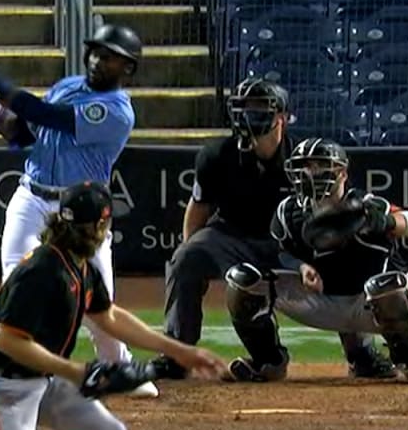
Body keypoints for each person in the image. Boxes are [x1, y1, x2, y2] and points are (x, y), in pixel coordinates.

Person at [0, 181, 227, 430]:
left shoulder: (78, 265)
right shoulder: (43, 271)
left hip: (38, 380)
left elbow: (108, 317)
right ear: (97, 226)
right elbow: (7, 341)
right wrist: (77, 373)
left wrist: (179, 350)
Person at [0, 24, 160, 398]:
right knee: (14, 283)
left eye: (110, 56)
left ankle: (118, 367)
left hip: (82, 212)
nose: (99, 60)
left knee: (99, 302)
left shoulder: (117, 111)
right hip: (31, 198)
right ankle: (22, 364)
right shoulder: (68, 86)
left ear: (128, 68)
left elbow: (45, 114)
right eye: (96, 51)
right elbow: (24, 133)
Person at [153, 77, 395, 381]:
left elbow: (331, 209)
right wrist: (191, 259)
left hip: (290, 239)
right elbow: (199, 206)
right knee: (187, 256)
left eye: (258, 109)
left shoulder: (304, 159)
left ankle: (361, 354)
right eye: (242, 109)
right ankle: (180, 354)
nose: (248, 117)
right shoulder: (216, 155)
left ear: (281, 117)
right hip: (231, 234)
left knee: (337, 254)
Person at [222, 138, 408, 385]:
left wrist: (386, 222)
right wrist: (300, 267)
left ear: (342, 173)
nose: (309, 173)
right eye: (304, 166)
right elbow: (279, 253)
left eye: (318, 165)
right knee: (242, 282)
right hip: (319, 300)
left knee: (391, 287)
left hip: (367, 305)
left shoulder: (364, 206)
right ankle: (268, 362)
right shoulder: (287, 211)